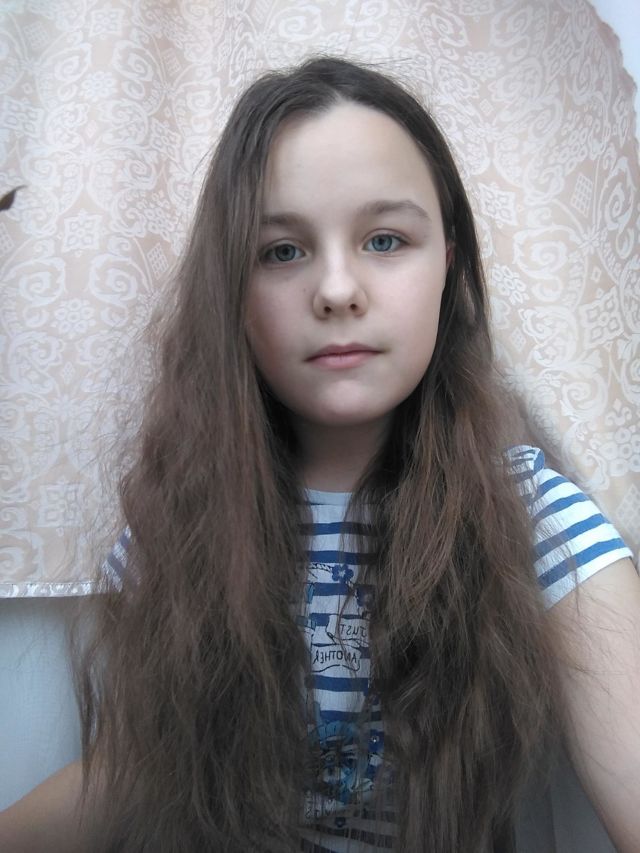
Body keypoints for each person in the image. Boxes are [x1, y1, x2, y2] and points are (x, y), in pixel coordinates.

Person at [1, 55, 639, 853]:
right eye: (281, 251)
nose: (337, 290)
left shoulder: (536, 523)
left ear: (449, 263)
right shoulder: (178, 526)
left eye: (385, 239)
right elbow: (137, 775)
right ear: (231, 291)